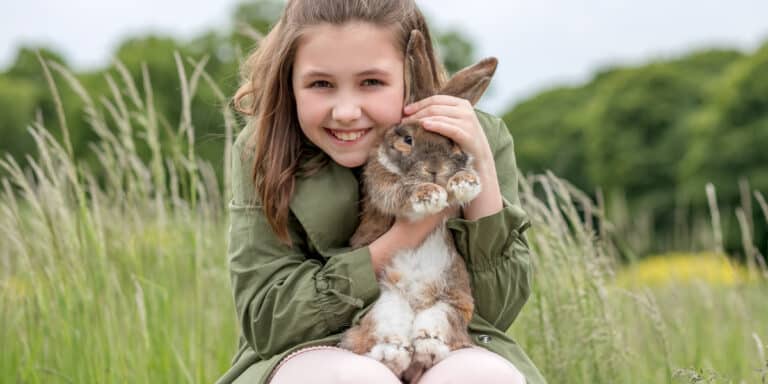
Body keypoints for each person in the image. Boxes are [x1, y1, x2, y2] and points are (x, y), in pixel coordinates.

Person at [217, 1, 546, 383]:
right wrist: (405, 235)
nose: (345, 111)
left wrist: (481, 168)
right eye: (320, 84)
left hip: (444, 335)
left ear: (408, 75)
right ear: (289, 82)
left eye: (371, 82)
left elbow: (495, 310)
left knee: (481, 376)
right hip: (309, 351)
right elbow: (267, 321)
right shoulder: (265, 151)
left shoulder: (472, 140)